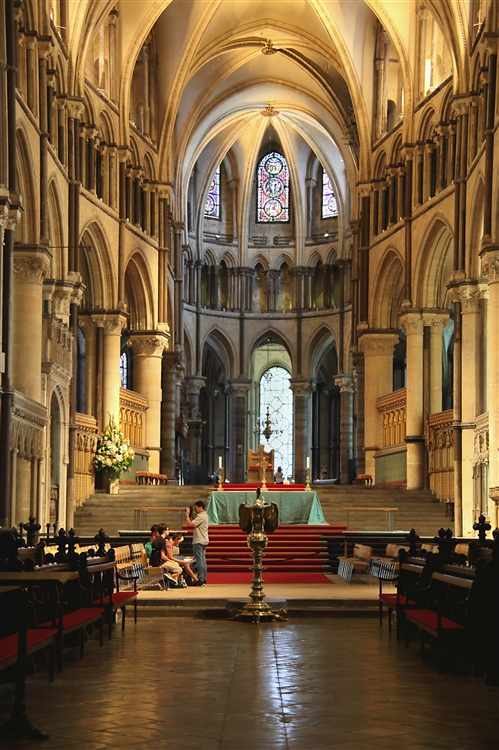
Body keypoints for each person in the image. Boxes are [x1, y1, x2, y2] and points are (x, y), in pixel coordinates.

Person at [185, 501, 209, 586]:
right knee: (202, 560)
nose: (195, 510)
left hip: (199, 540)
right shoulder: (204, 515)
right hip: (203, 540)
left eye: (196, 508)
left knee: (199, 560)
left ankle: (201, 578)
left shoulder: (201, 516)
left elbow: (190, 524)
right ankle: (203, 577)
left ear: (200, 507)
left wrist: (187, 515)